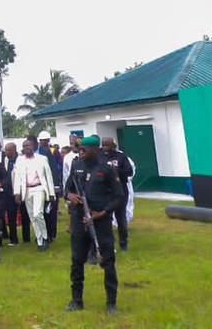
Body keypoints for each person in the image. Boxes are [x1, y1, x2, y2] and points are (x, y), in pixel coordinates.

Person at [66, 135, 125, 315]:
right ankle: (77, 300)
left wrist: (103, 212)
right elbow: (67, 188)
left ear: (95, 150)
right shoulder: (76, 167)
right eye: (80, 149)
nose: (81, 152)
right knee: (77, 261)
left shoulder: (106, 169)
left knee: (107, 261)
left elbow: (119, 197)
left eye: (85, 149)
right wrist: (70, 196)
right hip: (79, 220)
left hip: (100, 222)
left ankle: (111, 303)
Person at [14, 138, 55, 251]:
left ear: (33, 147)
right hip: (27, 190)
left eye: (29, 145)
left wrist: (51, 193)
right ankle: (40, 240)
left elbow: (49, 177)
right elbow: (17, 177)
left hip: (39, 188)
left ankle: (45, 237)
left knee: (38, 214)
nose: (27, 148)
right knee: (32, 217)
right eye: (24, 146)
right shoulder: (20, 160)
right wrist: (17, 193)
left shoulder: (42, 159)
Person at [101, 137, 134, 251]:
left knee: (121, 218)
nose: (105, 148)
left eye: (107, 145)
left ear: (113, 146)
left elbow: (129, 171)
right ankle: (109, 243)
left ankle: (123, 243)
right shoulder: (100, 157)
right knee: (106, 218)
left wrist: (115, 170)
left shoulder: (121, 157)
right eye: (103, 145)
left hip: (120, 192)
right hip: (105, 192)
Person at [37, 131, 63, 243]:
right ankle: (43, 233)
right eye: (42, 140)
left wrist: (56, 185)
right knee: (41, 210)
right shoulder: (36, 151)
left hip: (52, 184)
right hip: (40, 185)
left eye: (46, 140)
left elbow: (56, 169)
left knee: (51, 211)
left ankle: (52, 234)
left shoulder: (53, 151)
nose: (44, 142)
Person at [1, 142, 20, 246]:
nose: (7, 152)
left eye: (9, 150)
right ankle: (13, 239)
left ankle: (27, 238)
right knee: (11, 216)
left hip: (19, 190)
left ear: (14, 150)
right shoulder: (5, 160)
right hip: (8, 192)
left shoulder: (20, 160)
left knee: (26, 216)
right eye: (6, 150)